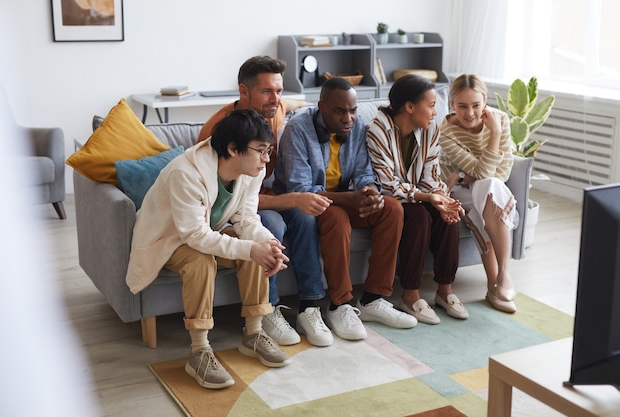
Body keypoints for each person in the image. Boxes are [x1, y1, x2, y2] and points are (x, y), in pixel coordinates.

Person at [125, 109, 291, 390]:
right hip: (169, 238)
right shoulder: (185, 172)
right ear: (232, 148)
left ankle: (253, 334)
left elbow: (247, 219)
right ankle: (199, 351)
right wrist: (250, 248)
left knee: (256, 248)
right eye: (261, 151)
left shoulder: (252, 170)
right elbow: (193, 235)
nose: (266, 159)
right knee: (203, 260)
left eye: (268, 150)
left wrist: (269, 244)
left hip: (208, 230)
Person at [198, 56, 334, 347]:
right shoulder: (218, 132)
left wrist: (306, 104)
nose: (275, 99)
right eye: (267, 91)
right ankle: (269, 308)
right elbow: (228, 199)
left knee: (304, 216)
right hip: (230, 207)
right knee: (271, 223)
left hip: (262, 193)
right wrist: (293, 198)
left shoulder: (274, 109)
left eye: (279, 90)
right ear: (243, 92)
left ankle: (311, 305)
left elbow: (292, 104)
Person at [274, 77, 416, 341]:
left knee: (392, 208)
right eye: (339, 111)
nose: (348, 118)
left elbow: (363, 171)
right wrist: (350, 198)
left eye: (352, 110)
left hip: (342, 195)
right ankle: (339, 304)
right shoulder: (298, 130)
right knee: (336, 218)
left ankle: (373, 298)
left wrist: (370, 191)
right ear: (321, 107)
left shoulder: (358, 125)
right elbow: (301, 188)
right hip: (305, 202)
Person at [366, 74, 468, 325]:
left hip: (418, 193)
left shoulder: (430, 129)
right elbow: (387, 184)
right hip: (390, 200)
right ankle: (410, 295)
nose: (435, 111)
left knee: (447, 217)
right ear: (410, 107)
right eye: (431, 105)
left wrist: (443, 200)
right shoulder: (378, 129)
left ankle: (445, 291)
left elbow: (431, 174)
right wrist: (428, 197)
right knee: (420, 216)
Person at [439, 74, 518, 313]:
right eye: (462, 106)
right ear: (452, 104)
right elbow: (485, 171)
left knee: (488, 188)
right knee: (487, 188)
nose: (470, 113)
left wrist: (464, 174)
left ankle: (498, 279)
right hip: (459, 192)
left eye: (476, 105)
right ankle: (499, 281)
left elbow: (502, 172)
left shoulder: (500, 120)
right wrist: (493, 136)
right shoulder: (446, 131)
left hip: (484, 185)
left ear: (485, 102)